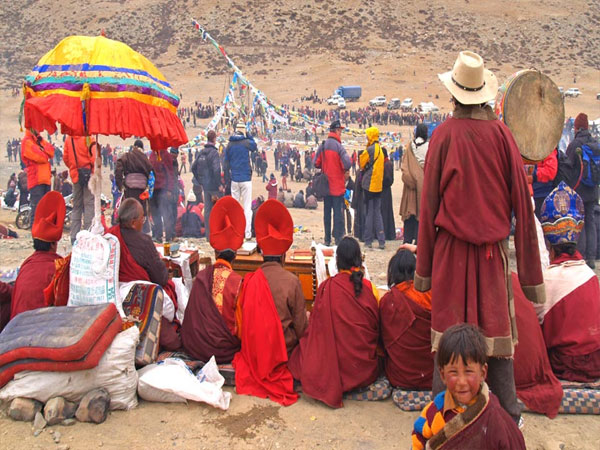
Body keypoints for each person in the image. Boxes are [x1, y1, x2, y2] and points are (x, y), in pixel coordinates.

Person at [415, 51, 545, 423]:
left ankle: (442, 421)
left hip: (451, 258)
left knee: (450, 341)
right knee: (495, 340)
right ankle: (508, 415)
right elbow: (524, 204)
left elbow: (428, 211)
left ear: (455, 94)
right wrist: (532, 280)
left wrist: (423, 271)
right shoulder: (503, 137)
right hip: (491, 257)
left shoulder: (442, 137)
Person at [289, 236, 379, 408]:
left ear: (337, 262)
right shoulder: (369, 288)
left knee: (300, 354)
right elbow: (376, 327)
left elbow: (317, 330)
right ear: (359, 260)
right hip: (362, 369)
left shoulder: (327, 287)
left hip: (331, 367)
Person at [233, 199, 307, 406]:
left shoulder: (250, 280)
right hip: (284, 355)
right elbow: (302, 330)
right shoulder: (292, 282)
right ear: (284, 256)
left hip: (255, 356)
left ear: (261, 254)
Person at [411, 324, 526, 450]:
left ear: (483, 372)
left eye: (468, 372)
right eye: (453, 372)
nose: (461, 382)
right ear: (442, 375)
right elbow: (418, 439)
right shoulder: (435, 410)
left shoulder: (494, 417)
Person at [536, 182, 600, 382]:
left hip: (565, 362)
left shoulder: (547, 278)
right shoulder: (591, 276)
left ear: (549, 245)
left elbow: (537, 322)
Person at [106, 197, 180, 350]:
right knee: (175, 287)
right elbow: (160, 278)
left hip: (111, 297)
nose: (143, 222)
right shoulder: (143, 242)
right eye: (142, 218)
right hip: (138, 297)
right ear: (133, 222)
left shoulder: (110, 237)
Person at [181, 197, 245, 363]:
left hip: (196, 348)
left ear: (215, 253)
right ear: (236, 255)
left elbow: (191, 319)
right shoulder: (237, 283)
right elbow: (242, 329)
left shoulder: (202, 277)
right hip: (225, 352)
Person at [380, 249, 432, 390]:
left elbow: (383, 340)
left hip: (400, 376)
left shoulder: (387, 301)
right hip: (430, 375)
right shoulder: (430, 296)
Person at [11, 191, 65, 318]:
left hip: (13, 331)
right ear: (53, 244)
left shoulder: (26, 264)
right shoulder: (59, 268)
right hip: (39, 332)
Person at [565, 113, 599, 268]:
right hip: (593, 190)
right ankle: (591, 257)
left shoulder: (575, 144)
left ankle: (582, 257)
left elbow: (567, 166)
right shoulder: (595, 143)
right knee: (590, 222)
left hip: (579, 189)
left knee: (580, 223)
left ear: (577, 127)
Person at [314, 120, 351, 246]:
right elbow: (347, 164)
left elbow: (316, 163)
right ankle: (338, 238)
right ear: (336, 131)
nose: (341, 133)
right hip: (337, 187)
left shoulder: (323, 145)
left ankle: (327, 239)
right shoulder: (339, 147)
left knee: (327, 214)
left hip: (325, 187)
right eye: (340, 130)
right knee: (337, 214)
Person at [224, 122, 257, 239]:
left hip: (234, 179)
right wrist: (248, 134)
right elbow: (255, 146)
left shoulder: (229, 145)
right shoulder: (246, 142)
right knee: (247, 208)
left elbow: (225, 163)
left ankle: (235, 232)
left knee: (234, 207)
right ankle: (247, 233)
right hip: (246, 178)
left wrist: (228, 178)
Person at [63, 136, 96, 243]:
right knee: (89, 205)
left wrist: (74, 167)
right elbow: (93, 157)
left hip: (75, 175)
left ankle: (74, 235)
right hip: (88, 175)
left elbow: (66, 158)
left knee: (77, 206)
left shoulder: (69, 139)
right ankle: (88, 233)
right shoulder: (88, 138)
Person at [115, 140, 153, 232]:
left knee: (130, 209)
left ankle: (128, 231)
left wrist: (120, 184)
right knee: (141, 211)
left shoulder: (127, 156)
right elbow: (151, 172)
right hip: (142, 191)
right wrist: (148, 186)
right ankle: (142, 232)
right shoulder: (145, 158)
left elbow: (118, 167)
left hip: (129, 189)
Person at [400, 123, 428, 245]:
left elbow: (404, 166)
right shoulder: (428, 147)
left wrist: (411, 179)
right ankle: (418, 240)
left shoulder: (409, 147)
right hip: (422, 184)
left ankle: (407, 239)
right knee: (420, 213)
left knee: (409, 212)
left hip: (409, 185)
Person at [21, 129, 55, 226]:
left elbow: (51, 151)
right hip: (36, 180)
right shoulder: (27, 141)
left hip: (46, 180)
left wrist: (41, 144)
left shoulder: (39, 140)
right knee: (37, 211)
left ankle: (43, 235)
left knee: (45, 211)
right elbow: (41, 157)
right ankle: (36, 237)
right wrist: (45, 152)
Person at [192, 131, 222, 238]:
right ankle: (218, 234)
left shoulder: (202, 152)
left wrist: (200, 180)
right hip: (214, 186)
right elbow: (216, 169)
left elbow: (193, 167)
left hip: (205, 186)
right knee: (219, 209)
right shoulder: (214, 153)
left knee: (208, 211)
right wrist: (219, 184)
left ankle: (209, 236)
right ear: (214, 139)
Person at [359, 127, 385, 249]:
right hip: (378, 186)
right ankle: (381, 240)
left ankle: (368, 240)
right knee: (377, 213)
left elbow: (361, 163)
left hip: (369, 185)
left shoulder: (370, 150)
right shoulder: (380, 149)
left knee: (369, 213)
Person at [149, 147, 176, 243]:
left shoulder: (166, 155)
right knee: (155, 214)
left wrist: (169, 189)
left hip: (163, 189)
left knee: (166, 213)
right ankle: (158, 235)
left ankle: (168, 236)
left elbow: (170, 173)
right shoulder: (152, 155)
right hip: (153, 189)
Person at [531, 148, 558, 219]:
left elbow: (550, 171)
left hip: (542, 194)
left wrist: (532, 173)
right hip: (533, 193)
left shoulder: (547, 149)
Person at [380, 147, 396, 240]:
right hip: (385, 191)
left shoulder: (387, 164)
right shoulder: (386, 163)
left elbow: (389, 179)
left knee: (385, 212)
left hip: (385, 191)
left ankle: (387, 233)